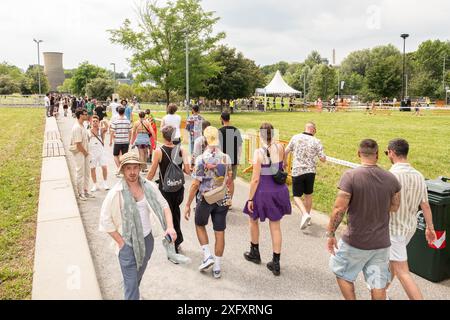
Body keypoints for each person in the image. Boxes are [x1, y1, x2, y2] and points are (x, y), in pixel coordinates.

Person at [327, 139, 401, 300]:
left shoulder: (350, 176)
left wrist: (331, 234)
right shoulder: (391, 179)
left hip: (355, 241)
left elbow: (339, 209)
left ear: (359, 153)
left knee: (342, 272)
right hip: (381, 244)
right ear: (377, 154)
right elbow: (395, 206)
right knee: (377, 284)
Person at [98, 152, 178, 300]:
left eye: (135, 167)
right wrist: (121, 243)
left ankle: (133, 289)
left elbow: (164, 205)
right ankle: (132, 293)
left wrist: (170, 226)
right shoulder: (116, 193)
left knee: (136, 276)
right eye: (128, 168)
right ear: (123, 170)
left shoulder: (149, 187)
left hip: (147, 241)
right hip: (127, 243)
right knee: (131, 284)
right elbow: (105, 220)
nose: (133, 172)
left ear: (140, 168)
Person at [385, 138, 436, 300]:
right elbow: (425, 205)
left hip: (394, 230)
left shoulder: (391, 175)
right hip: (409, 228)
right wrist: (430, 227)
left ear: (392, 152)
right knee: (393, 262)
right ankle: (383, 292)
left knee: (402, 271)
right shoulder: (419, 176)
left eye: (387, 153)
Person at [243, 123, 292, 276]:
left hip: (263, 191)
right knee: (275, 226)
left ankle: (254, 252)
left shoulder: (258, 153)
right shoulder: (281, 147)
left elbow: (255, 179)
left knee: (253, 219)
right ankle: (276, 262)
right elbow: (283, 165)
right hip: (279, 190)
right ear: (273, 133)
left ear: (261, 135)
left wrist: (250, 199)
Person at [183, 126, 232, 279]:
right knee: (220, 232)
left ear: (205, 139)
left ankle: (207, 254)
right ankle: (217, 267)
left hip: (205, 198)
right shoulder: (226, 157)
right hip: (222, 199)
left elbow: (195, 184)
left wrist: (187, 204)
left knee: (199, 224)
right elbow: (229, 179)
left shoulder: (200, 159)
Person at [147, 126, 190, 255]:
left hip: (165, 189)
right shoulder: (182, 150)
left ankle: (171, 242)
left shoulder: (158, 151)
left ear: (163, 137)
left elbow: (152, 171)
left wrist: (144, 183)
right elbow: (187, 170)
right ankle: (178, 241)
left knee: (167, 216)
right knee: (175, 213)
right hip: (178, 188)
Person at [284, 122, 326, 229]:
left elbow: (286, 151)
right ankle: (307, 216)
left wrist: (284, 162)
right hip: (310, 171)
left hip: (297, 170)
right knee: (308, 195)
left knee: (296, 196)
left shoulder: (296, 137)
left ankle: (305, 215)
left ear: (306, 128)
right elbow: (323, 159)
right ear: (313, 130)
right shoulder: (317, 141)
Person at [218, 112, 243, 207]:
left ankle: (221, 201)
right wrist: (239, 158)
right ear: (229, 118)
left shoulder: (219, 131)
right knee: (231, 181)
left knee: (221, 180)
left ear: (221, 119)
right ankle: (229, 202)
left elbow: (218, 147)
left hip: (222, 160)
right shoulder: (236, 130)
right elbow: (240, 146)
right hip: (233, 159)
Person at [70, 108, 94, 201]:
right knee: (80, 173)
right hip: (80, 153)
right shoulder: (76, 127)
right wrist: (85, 153)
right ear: (80, 115)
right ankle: (80, 193)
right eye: (85, 114)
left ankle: (85, 190)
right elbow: (78, 143)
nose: (87, 115)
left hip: (86, 153)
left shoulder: (82, 125)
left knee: (87, 172)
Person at [88, 115, 110, 192]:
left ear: (98, 122)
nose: (95, 122)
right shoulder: (88, 131)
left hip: (101, 151)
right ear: (91, 122)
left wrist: (103, 121)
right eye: (93, 121)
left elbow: (107, 127)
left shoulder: (101, 130)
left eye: (96, 121)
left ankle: (105, 183)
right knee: (92, 168)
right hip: (92, 152)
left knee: (104, 167)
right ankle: (95, 184)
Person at [110, 107, 132, 171]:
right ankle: (123, 168)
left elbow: (112, 132)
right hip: (125, 141)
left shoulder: (115, 122)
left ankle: (119, 168)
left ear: (118, 112)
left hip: (117, 141)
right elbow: (130, 131)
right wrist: (129, 139)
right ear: (124, 112)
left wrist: (111, 140)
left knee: (115, 155)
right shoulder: (128, 121)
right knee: (124, 156)